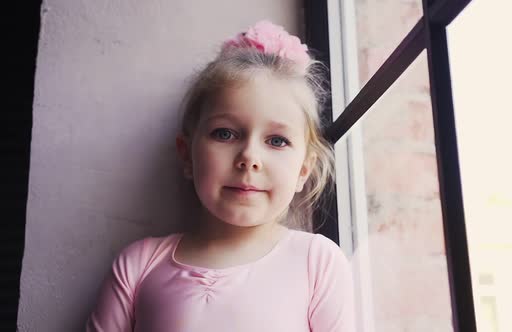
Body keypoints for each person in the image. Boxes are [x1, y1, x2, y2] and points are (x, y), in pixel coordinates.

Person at [86, 20, 356, 332]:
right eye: (225, 134)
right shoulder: (138, 264)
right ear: (187, 155)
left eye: (277, 141)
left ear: (303, 170)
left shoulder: (316, 262)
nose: (249, 158)